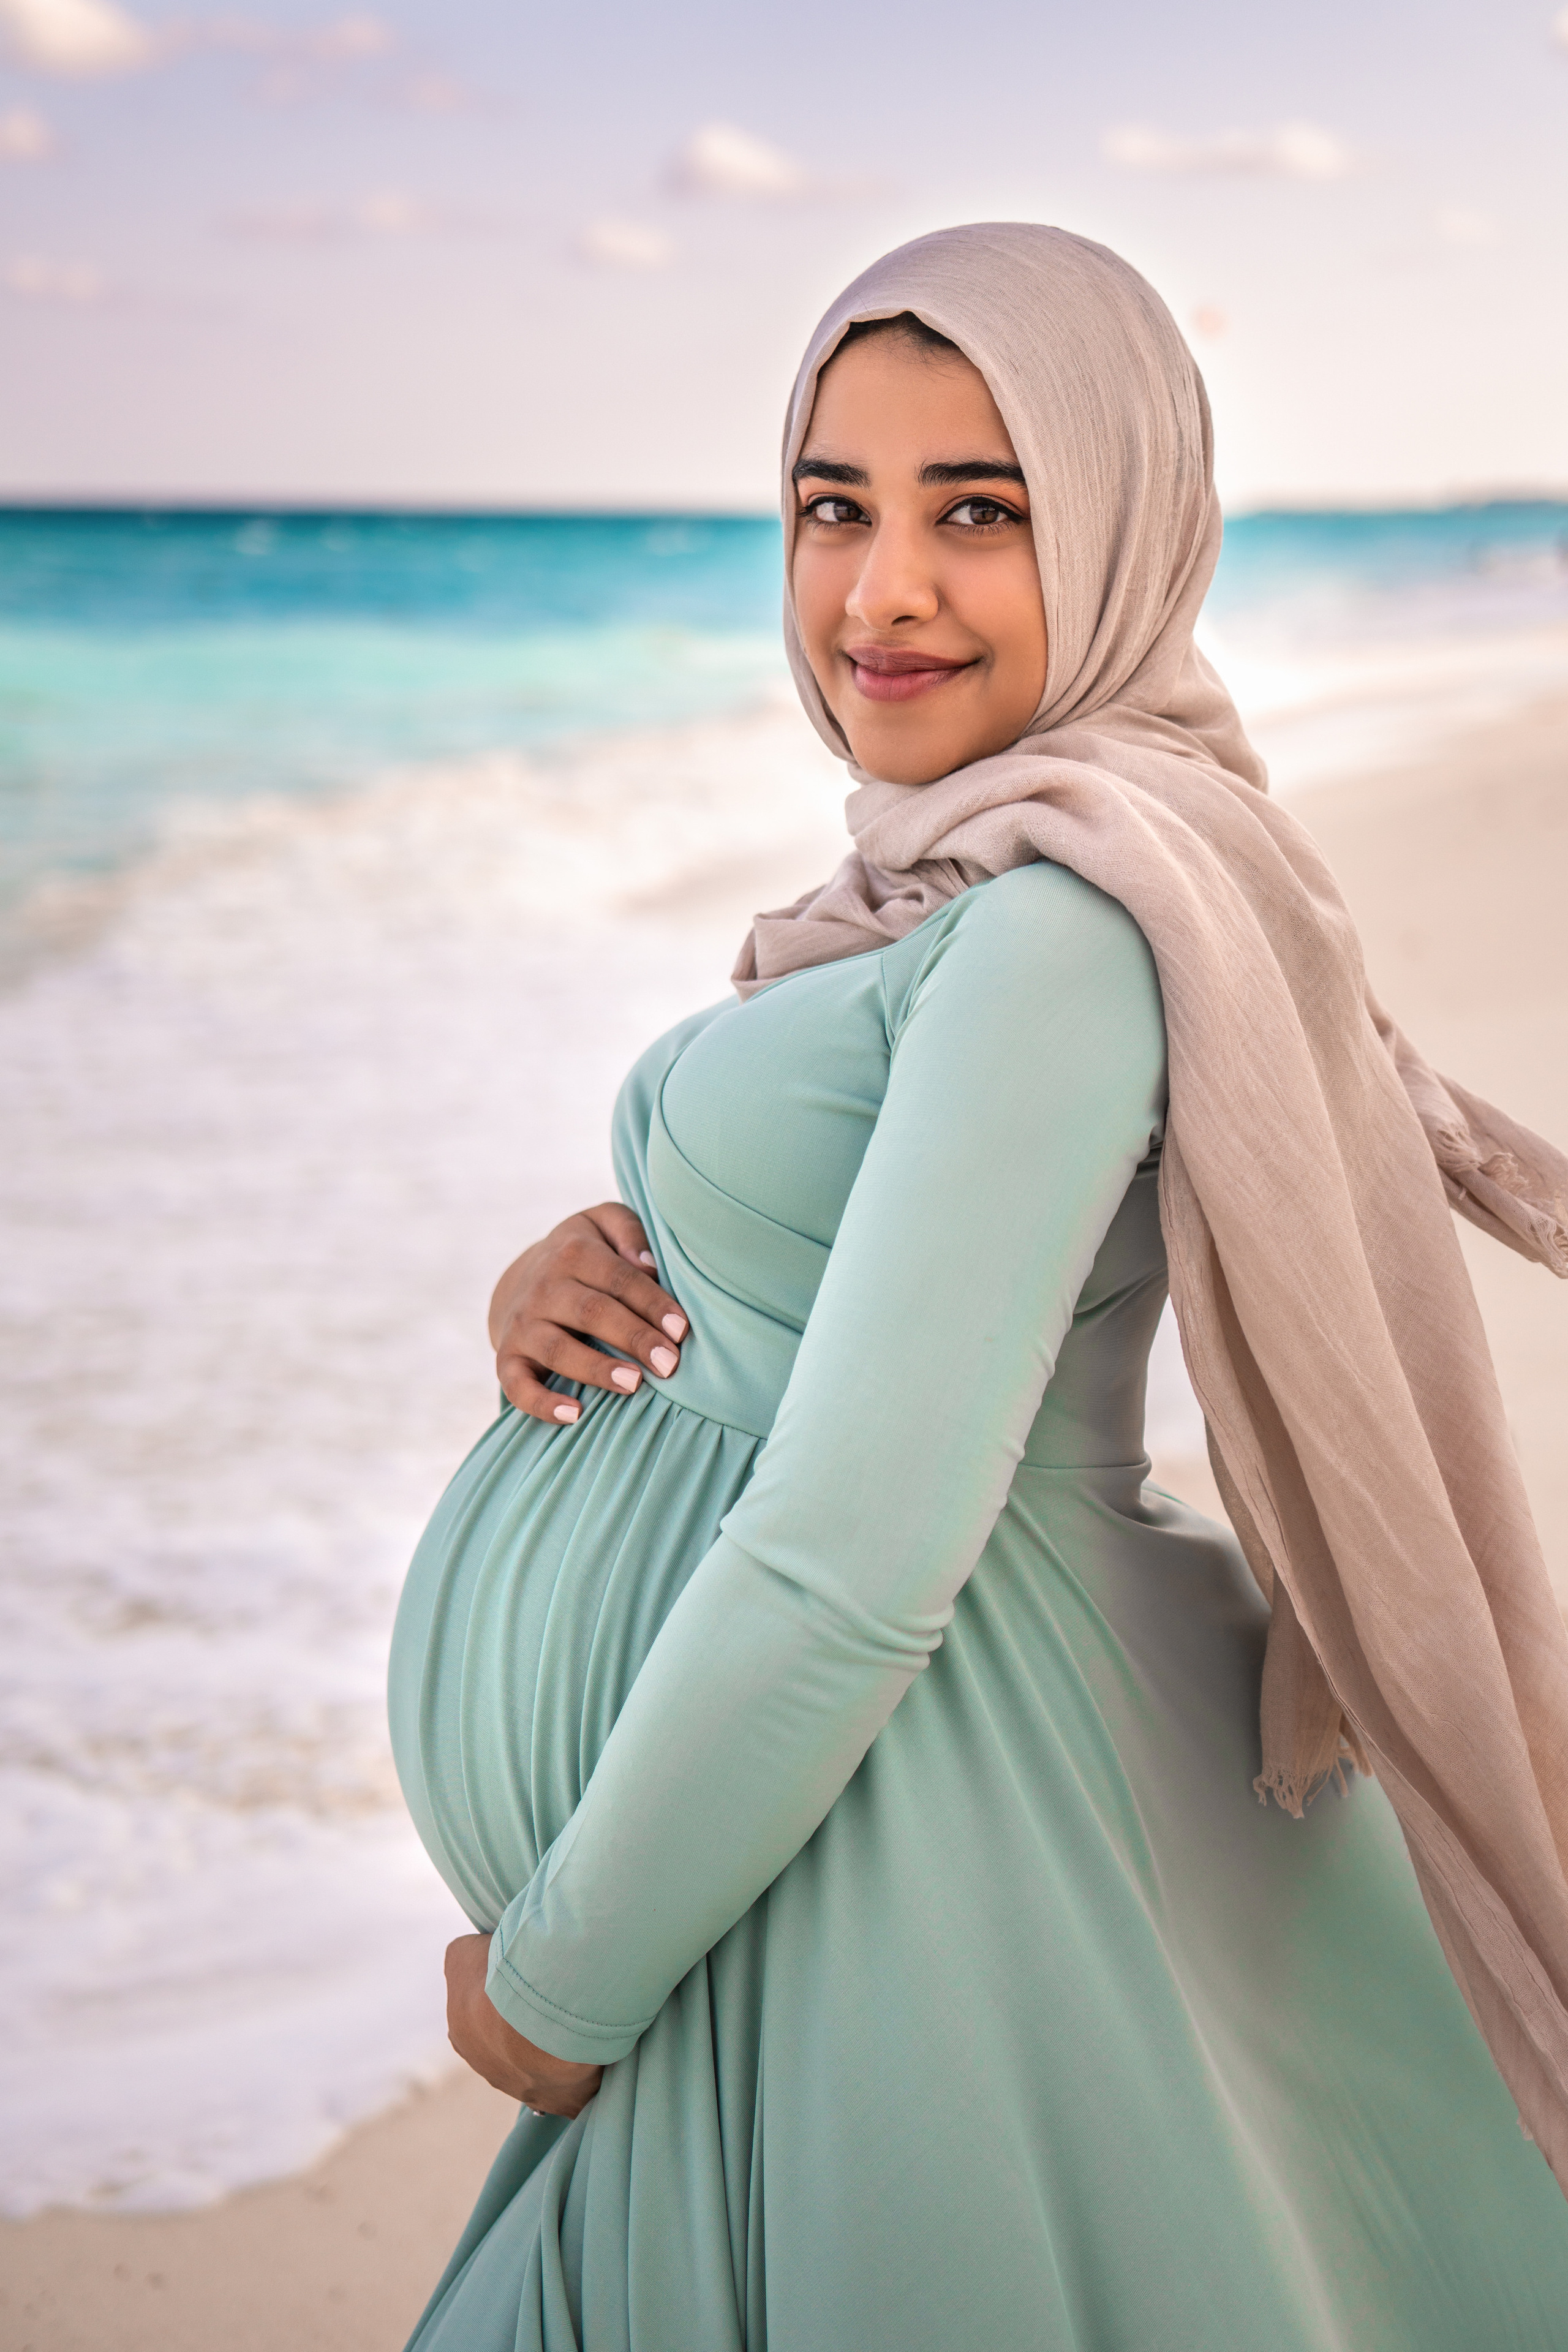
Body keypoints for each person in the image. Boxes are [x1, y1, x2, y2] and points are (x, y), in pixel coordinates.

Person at [388, 224, 1568, 2350]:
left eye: (981, 513)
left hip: (900, 1836)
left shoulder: (1064, 921)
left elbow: (855, 1552)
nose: (882, 588)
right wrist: (582, 1289)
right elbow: (846, 1293)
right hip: (807, 1835)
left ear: (1125, 536)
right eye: (835, 505)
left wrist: (567, 1977)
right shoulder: (944, 890)